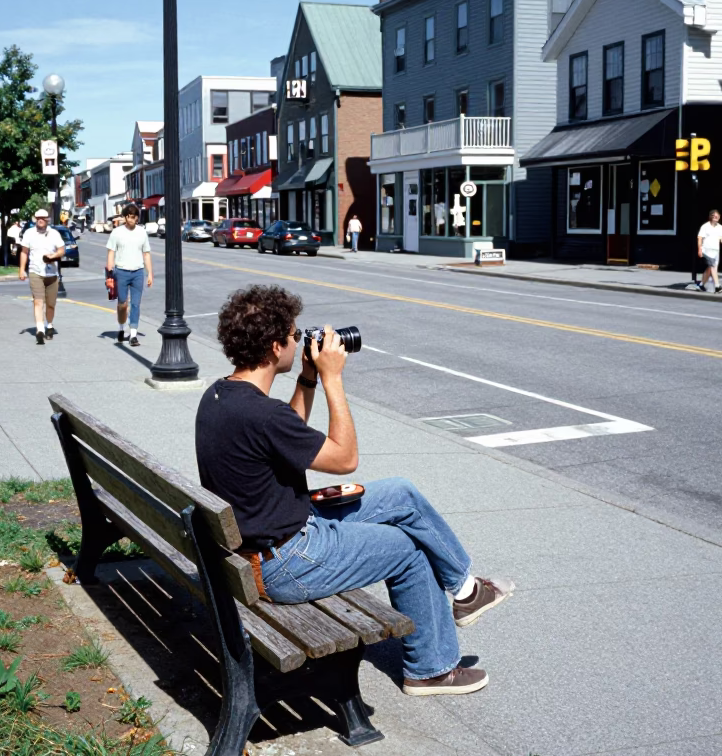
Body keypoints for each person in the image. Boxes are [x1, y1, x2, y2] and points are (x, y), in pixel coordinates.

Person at [195, 285, 514, 697]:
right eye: (294, 336)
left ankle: (467, 590)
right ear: (275, 347)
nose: (300, 341)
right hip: (285, 560)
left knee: (400, 493)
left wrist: (308, 378)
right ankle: (431, 670)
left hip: (267, 539)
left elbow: (284, 437)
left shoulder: (221, 395)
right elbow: (344, 458)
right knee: (410, 549)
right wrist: (332, 378)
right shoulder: (261, 413)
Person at [104, 202, 154, 347]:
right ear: (125, 217)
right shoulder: (117, 232)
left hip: (138, 272)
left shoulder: (142, 232)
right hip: (121, 272)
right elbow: (111, 253)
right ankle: (121, 327)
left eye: (135, 217)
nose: (133, 220)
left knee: (136, 304)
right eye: (130, 217)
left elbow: (146, 254)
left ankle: (133, 334)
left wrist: (150, 273)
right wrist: (109, 275)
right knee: (122, 304)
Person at [19, 208, 65, 345]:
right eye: (38, 217)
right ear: (35, 219)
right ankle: (40, 330)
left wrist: (54, 256)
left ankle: (49, 325)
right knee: (38, 301)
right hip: (35, 271)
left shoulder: (54, 233)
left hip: (52, 273)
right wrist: (22, 270)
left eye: (43, 218)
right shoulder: (29, 233)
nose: (40, 219)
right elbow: (24, 252)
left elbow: (62, 250)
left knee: (50, 304)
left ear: (47, 220)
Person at [697, 209, 722, 293]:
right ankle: (717, 286)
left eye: (717, 216)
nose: (715, 218)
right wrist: (699, 249)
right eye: (714, 216)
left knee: (710, 268)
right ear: (710, 217)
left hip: (715, 251)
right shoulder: (705, 226)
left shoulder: (720, 227)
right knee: (713, 266)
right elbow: (700, 238)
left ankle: (701, 285)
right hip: (706, 250)